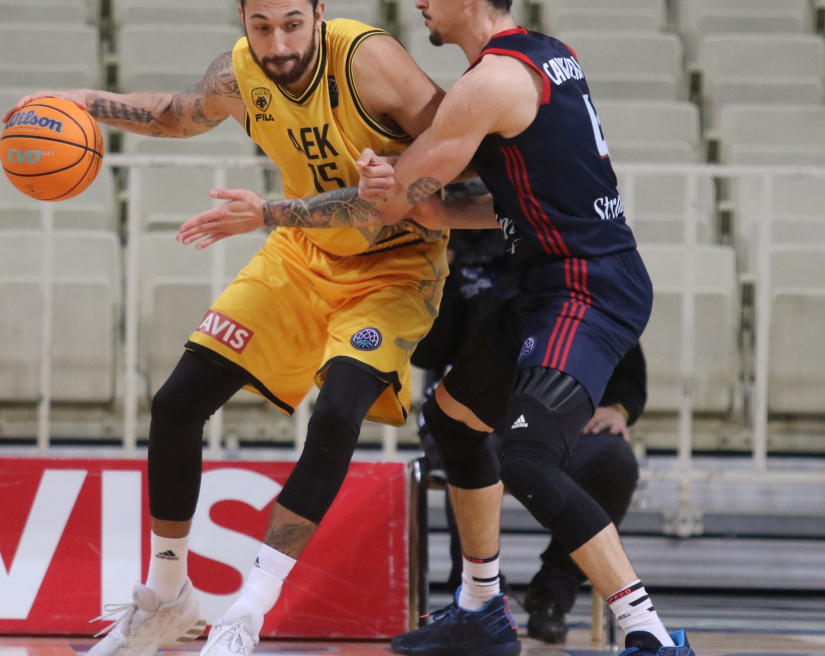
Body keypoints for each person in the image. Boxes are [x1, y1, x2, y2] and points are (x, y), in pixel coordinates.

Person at [172, 0, 696, 655]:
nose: (419, 1)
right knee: (452, 421)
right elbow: (502, 199)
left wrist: (319, 200)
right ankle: (481, 608)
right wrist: (435, 208)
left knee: (529, 457)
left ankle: (648, 633)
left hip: (583, 284)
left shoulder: (489, 85)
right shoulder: (547, 52)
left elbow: (387, 205)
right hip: (547, 276)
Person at [5, 3, 450, 656]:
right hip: (302, 253)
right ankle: (166, 596)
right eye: (261, 24)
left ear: (321, 12)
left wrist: (400, 177)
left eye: (293, 23)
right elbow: (173, 115)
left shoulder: (370, 61)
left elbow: (459, 151)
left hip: (394, 265)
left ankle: (249, 608)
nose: (277, 41)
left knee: (336, 416)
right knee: (176, 404)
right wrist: (82, 101)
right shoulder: (239, 74)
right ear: (242, 17)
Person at [413, 219, 647, 645]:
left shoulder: (569, 258)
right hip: (479, 411)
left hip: (555, 413)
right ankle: (479, 599)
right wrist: (439, 271)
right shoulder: (459, 258)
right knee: (467, 444)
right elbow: (426, 351)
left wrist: (619, 409)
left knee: (613, 461)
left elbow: (625, 359)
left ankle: (553, 595)